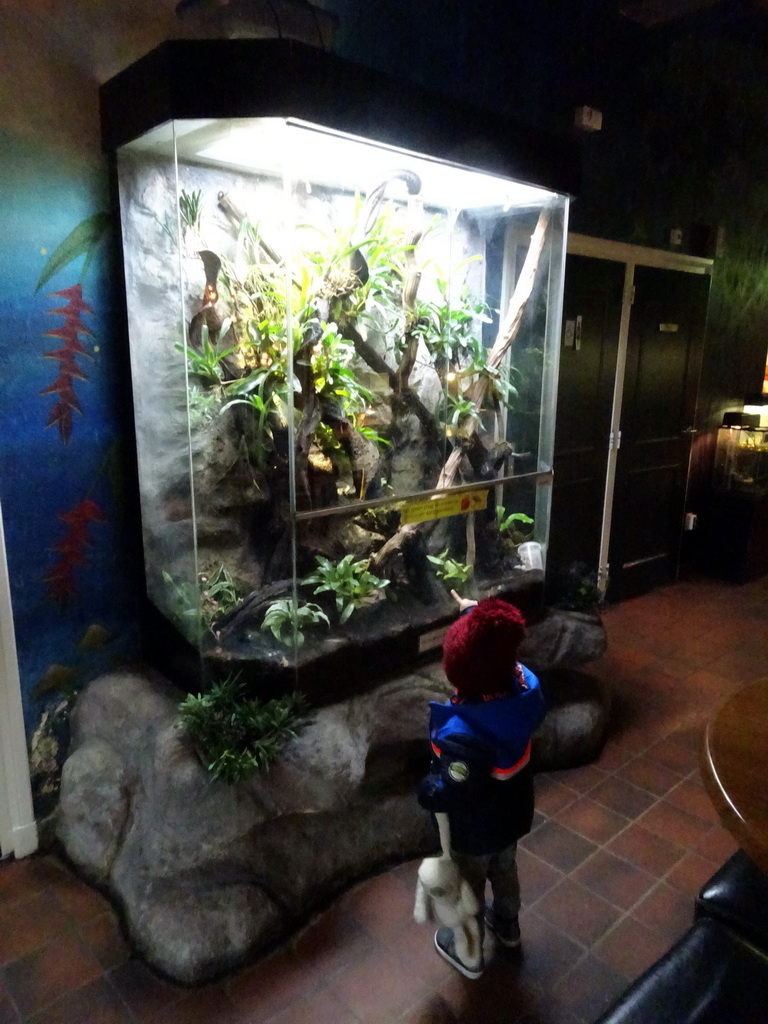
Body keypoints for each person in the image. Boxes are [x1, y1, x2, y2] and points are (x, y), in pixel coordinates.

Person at [417, 590, 546, 979]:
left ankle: (467, 950)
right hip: (513, 814)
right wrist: (473, 614)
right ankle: (507, 925)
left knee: (468, 884)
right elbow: (499, 657)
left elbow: (456, 789)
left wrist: (427, 788)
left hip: (476, 831)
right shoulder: (524, 689)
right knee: (505, 870)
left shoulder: (464, 734)